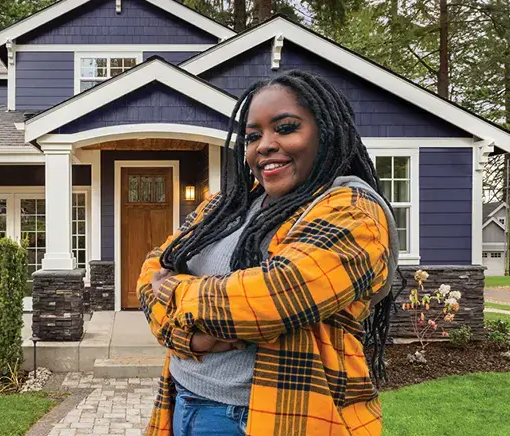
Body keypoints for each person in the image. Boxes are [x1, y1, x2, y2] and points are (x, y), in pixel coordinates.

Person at [137, 69, 399, 436]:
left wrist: (175, 291)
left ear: (326, 130)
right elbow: (152, 267)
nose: (265, 145)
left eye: (286, 128)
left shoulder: (351, 209)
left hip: (264, 418)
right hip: (182, 401)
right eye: (253, 136)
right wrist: (191, 338)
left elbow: (277, 296)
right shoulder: (225, 206)